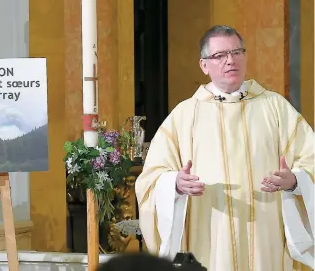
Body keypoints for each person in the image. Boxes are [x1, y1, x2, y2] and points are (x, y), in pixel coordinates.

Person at [135, 25, 314, 271]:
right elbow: (151, 178)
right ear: (204, 65)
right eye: (220, 56)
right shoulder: (186, 114)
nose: (230, 60)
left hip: (267, 234)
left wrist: (295, 180)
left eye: (237, 52)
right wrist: (174, 184)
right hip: (209, 233)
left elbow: (311, 158)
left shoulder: (276, 108)